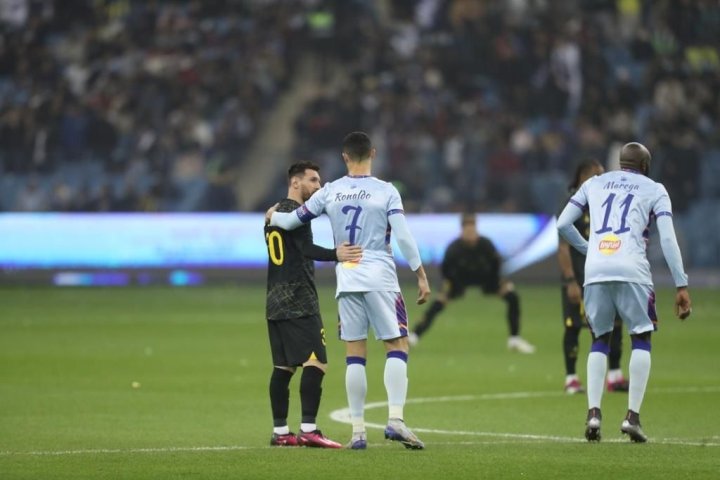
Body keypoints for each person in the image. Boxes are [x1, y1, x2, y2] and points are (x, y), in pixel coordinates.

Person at [267, 131, 431, 450]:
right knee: (397, 344)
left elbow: (289, 223)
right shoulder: (386, 191)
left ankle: (357, 431)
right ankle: (395, 420)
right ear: (373, 153)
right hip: (379, 275)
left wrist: (273, 214)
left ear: (344, 157)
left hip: (348, 278)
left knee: (355, 354)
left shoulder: (330, 192)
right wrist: (420, 274)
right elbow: (404, 237)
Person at [557, 142, 692, 443]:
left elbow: (563, 223)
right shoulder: (655, 189)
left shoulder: (594, 183)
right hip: (633, 269)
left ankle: (593, 413)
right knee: (641, 337)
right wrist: (681, 284)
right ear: (645, 165)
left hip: (595, 270)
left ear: (620, 163)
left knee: (599, 339)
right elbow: (668, 240)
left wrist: (589, 248)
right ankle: (632, 417)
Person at [264, 161, 363, 448]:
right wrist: (338, 254)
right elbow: (306, 249)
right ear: (295, 182)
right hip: (298, 299)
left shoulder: (272, 214)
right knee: (317, 362)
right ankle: (309, 428)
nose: (317, 187)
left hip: (274, 299)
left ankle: (281, 432)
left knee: (283, 368)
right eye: (313, 181)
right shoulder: (294, 215)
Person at [408, 213, 536, 354]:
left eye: (473, 230)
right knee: (438, 303)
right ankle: (414, 335)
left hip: (485, 279)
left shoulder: (486, 245)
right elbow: (446, 270)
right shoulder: (454, 248)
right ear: (462, 231)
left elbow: (496, 264)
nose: (470, 234)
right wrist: (451, 287)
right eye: (467, 231)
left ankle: (514, 339)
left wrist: (497, 283)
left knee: (512, 296)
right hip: (459, 281)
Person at [558, 160, 629, 394]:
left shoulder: (607, 205)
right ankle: (571, 378)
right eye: (595, 175)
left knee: (613, 324)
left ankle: (615, 375)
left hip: (605, 274)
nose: (600, 179)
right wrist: (570, 280)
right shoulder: (572, 206)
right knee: (574, 326)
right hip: (579, 278)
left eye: (602, 175)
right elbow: (564, 247)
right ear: (582, 178)